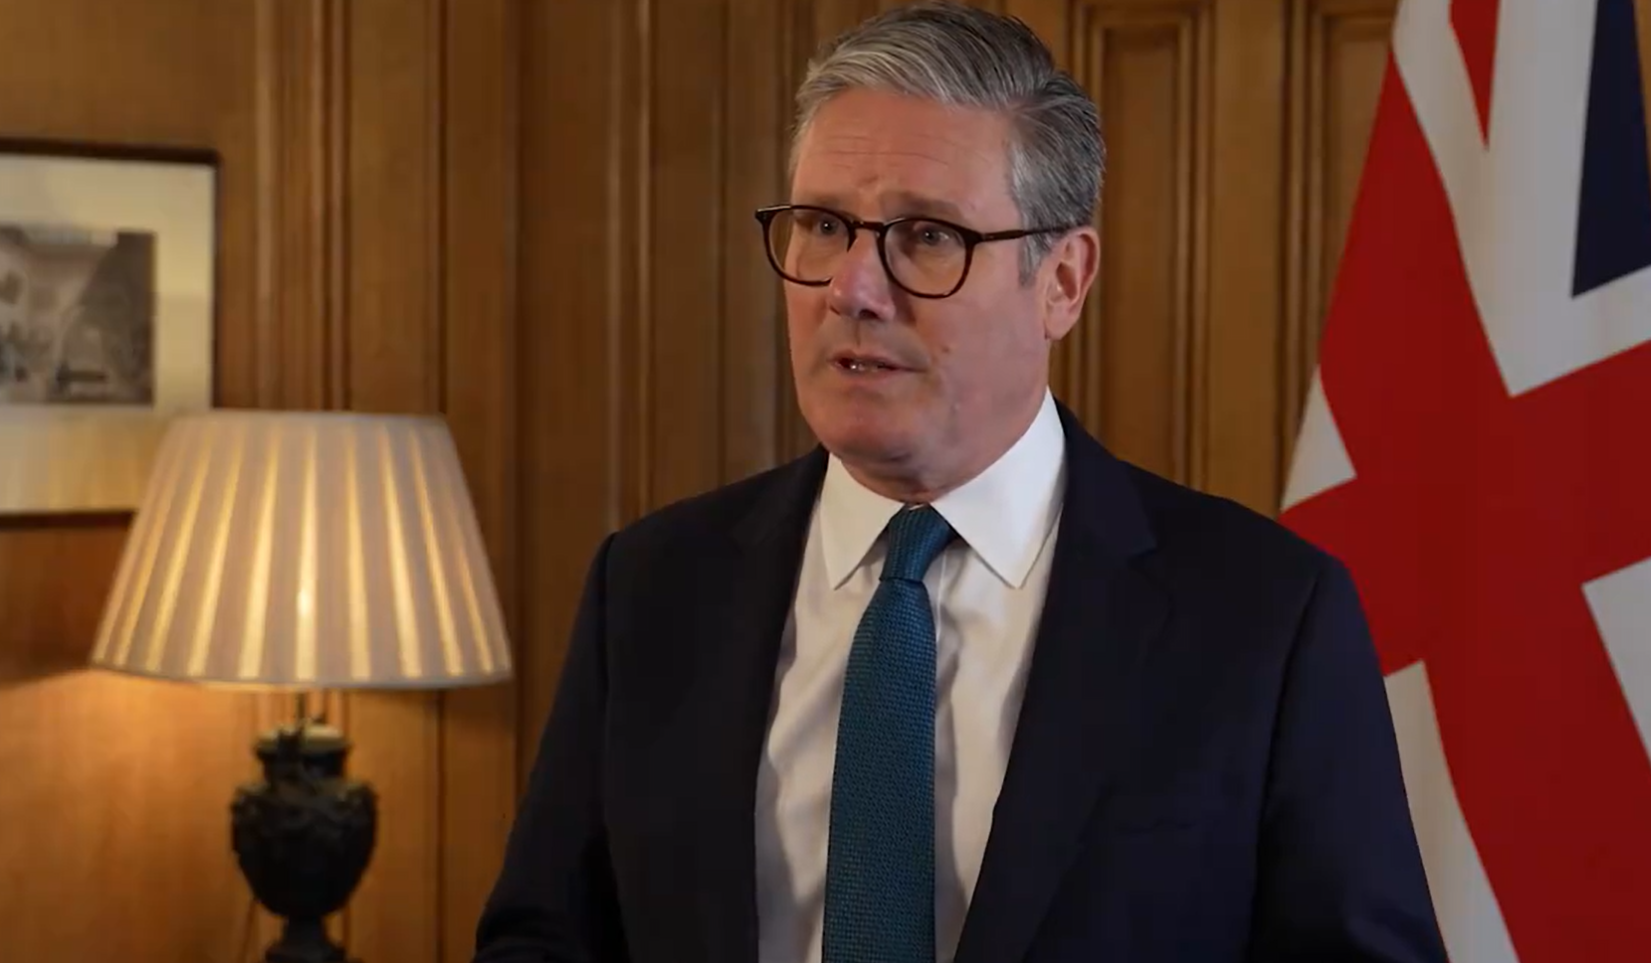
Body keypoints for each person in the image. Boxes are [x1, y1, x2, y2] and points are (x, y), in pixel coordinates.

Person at [472, 3, 1447, 961]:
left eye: (928, 236)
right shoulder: (653, 585)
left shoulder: (1263, 615)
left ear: (1061, 281)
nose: (851, 288)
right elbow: (545, 938)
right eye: (822, 225)